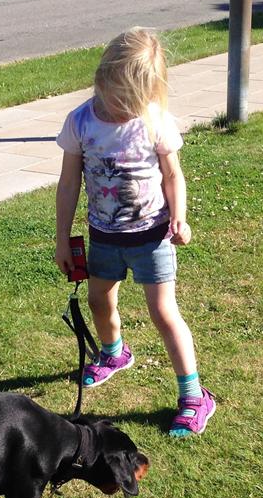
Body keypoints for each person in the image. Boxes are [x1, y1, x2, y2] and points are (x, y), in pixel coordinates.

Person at [54, 27, 215, 437]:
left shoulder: (154, 121)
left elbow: (173, 175)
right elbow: (69, 184)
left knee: (163, 313)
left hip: (151, 237)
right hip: (104, 236)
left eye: (134, 101)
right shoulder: (80, 122)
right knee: (98, 301)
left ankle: (194, 396)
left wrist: (180, 217)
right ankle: (114, 353)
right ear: (102, 79)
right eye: (119, 98)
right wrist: (62, 239)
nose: (125, 109)